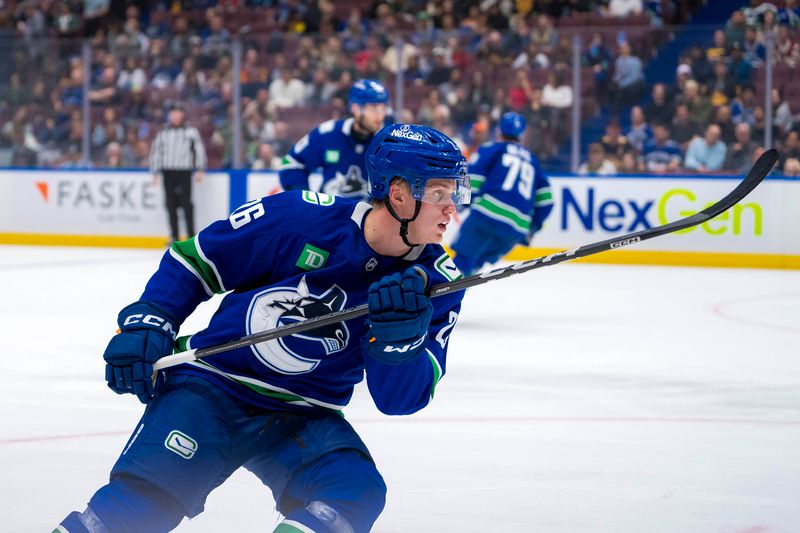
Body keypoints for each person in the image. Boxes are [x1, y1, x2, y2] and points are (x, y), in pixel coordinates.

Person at [54, 124, 470, 533]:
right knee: (138, 509)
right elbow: (196, 261)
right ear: (398, 194)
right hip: (214, 386)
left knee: (354, 493)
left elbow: (398, 401)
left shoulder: (439, 282)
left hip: (303, 414)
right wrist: (151, 319)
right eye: (437, 194)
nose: (452, 208)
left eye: (453, 194)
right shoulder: (299, 216)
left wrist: (398, 341)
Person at [451, 112, 553, 276]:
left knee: (462, 263)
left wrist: (462, 202)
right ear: (522, 134)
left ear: (498, 130)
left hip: (486, 217)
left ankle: (442, 301)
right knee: (474, 267)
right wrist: (533, 228)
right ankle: (455, 298)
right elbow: (546, 201)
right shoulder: (534, 161)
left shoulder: (492, 148)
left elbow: (473, 177)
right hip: (516, 229)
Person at [279, 79, 390, 200]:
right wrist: (304, 200)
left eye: (383, 108)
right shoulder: (329, 133)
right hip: (330, 214)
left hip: (370, 216)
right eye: (373, 108)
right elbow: (290, 162)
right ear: (355, 108)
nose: (380, 115)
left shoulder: (390, 141)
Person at [149, 106, 207, 244]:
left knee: (187, 204)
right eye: (173, 113)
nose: (175, 116)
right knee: (170, 204)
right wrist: (155, 172)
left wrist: (199, 169)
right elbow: (156, 151)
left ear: (182, 115)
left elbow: (198, 150)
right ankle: (174, 236)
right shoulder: (163, 132)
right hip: (168, 171)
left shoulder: (190, 132)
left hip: (184, 171)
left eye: (178, 113)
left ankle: (191, 236)